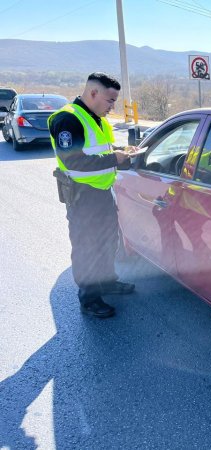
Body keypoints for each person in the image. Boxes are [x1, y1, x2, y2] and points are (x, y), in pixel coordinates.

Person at [48, 72, 136, 319]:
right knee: (87, 247)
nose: (113, 106)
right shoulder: (68, 119)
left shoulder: (96, 118)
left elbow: (100, 150)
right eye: (110, 100)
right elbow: (74, 162)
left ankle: (107, 283)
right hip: (82, 197)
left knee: (108, 242)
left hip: (102, 193)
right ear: (93, 93)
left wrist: (120, 152)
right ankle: (89, 298)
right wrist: (114, 158)